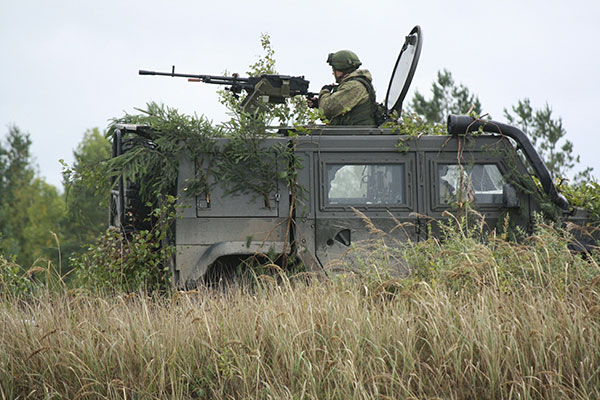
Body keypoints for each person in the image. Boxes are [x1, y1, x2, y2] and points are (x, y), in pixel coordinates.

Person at [307, 50, 377, 126]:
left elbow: (328, 109)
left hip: (356, 135)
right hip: (354, 134)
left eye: (334, 69)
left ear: (341, 69)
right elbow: (337, 112)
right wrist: (318, 104)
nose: (333, 73)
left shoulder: (354, 86)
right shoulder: (355, 84)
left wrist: (325, 91)